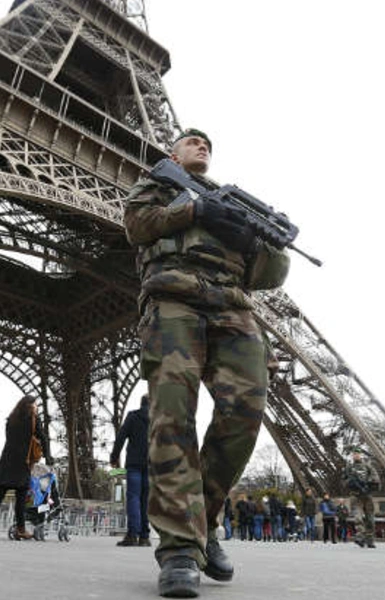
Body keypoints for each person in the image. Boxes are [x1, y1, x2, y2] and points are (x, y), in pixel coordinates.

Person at [123, 128, 291, 597]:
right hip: (173, 301)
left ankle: (205, 522)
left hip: (233, 308)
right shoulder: (159, 184)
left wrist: (259, 242)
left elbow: (269, 276)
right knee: (172, 415)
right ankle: (179, 548)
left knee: (246, 415)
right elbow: (137, 226)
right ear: (173, 153)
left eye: (208, 145)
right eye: (192, 141)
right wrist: (194, 210)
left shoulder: (236, 205)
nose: (202, 146)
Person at [0, 395, 49, 541]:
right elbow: (41, 436)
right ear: (31, 405)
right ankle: (21, 529)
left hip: (7, 460)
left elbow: (8, 438)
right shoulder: (33, 419)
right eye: (35, 405)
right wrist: (48, 456)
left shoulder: (11, 419)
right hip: (22, 461)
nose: (36, 407)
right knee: (21, 497)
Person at [110, 394, 151, 547]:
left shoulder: (133, 416)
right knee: (145, 500)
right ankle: (145, 537)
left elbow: (121, 437)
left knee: (133, 497)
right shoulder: (158, 419)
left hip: (134, 463)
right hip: (151, 465)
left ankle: (132, 534)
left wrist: (114, 457)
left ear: (141, 403)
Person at [342, 448, 380, 548]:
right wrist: (350, 482)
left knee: (370, 519)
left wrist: (368, 484)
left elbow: (376, 478)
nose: (356, 455)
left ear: (361, 455)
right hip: (355, 496)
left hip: (367, 496)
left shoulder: (368, 467)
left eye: (357, 453)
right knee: (358, 517)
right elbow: (344, 481)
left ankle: (370, 540)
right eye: (354, 454)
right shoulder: (349, 468)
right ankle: (360, 536)